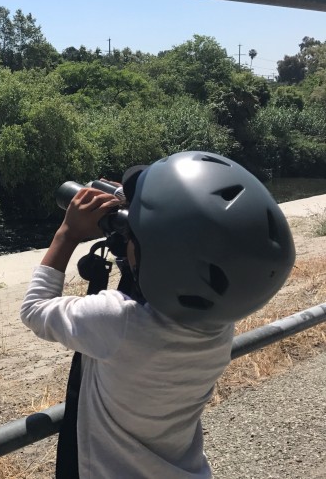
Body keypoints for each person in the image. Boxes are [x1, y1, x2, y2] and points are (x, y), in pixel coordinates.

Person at [20, 151, 296, 479]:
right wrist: (143, 210)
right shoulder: (218, 322)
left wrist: (68, 232)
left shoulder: (117, 321)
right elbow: (185, 261)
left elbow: (34, 310)